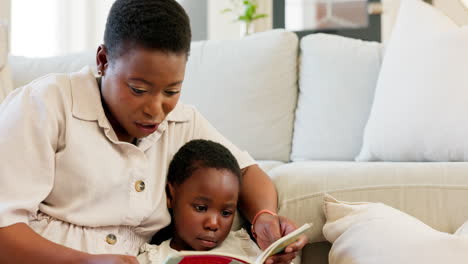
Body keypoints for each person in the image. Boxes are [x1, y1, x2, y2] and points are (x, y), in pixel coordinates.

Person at [0, 0, 307, 263]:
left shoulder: (182, 122)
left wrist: (264, 218)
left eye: (172, 90)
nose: (155, 109)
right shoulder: (44, 104)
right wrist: (85, 261)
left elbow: (247, 171)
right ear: (103, 61)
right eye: (138, 89)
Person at [137, 139, 263, 264]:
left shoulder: (243, 248)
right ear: (170, 196)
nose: (213, 224)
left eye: (226, 213)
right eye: (201, 208)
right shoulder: (153, 259)